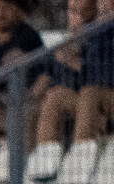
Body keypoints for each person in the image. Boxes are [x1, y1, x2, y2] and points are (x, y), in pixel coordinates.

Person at [33, 0, 114, 149]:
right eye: (73, 11)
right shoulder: (64, 47)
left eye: (83, 13)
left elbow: (102, 78)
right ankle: (37, 164)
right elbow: (42, 84)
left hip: (100, 100)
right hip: (80, 103)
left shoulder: (102, 35)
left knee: (89, 94)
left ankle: (81, 158)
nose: (78, 19)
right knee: (44, 98)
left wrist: (75, 63)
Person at [0, 0, 47, 153]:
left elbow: (9, 62)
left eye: (5, 8)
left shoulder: (27, 36)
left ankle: (23, 169)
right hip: (0, 105)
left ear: (19, 11)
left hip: (26, 101)